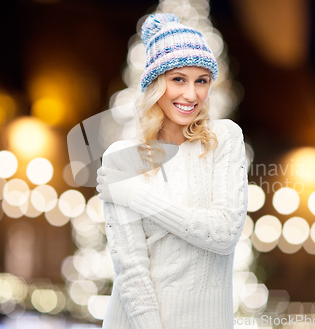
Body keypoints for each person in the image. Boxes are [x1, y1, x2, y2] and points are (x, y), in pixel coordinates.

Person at [96, 13, 248, 329]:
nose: (191, 95)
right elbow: (131, 270)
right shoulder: (121, 159)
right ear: (155, 83)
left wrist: (137, 198)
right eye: (178, 79)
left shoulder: (225, 139)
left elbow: (224, 234)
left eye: (201, 80)